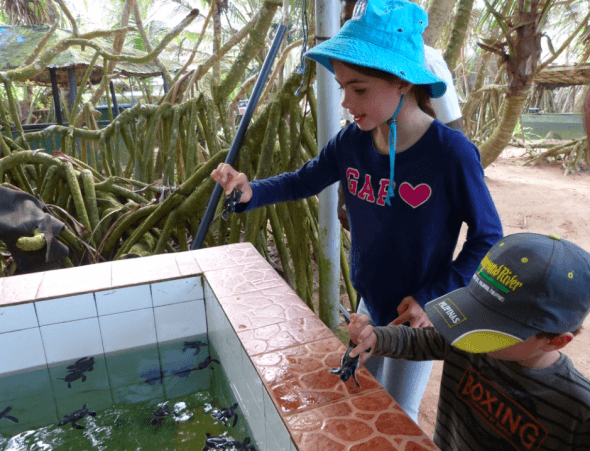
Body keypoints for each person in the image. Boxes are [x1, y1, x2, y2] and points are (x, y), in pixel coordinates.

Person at [210, 0, 503, 422]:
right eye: (342, 86)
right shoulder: (352, 142)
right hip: (369, 299)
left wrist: (431, 298)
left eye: (359, 88)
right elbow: (302, 180)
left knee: (395, 415)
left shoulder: (450, 153)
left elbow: (488, 237)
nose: (346, 101)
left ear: (403, 82)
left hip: (413, 316)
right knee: (362, 393)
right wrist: (250, 190)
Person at [348, 232, 590, 450]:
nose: (473, 328)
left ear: (556, 342)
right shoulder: (468, 338)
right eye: (476, 313)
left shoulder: (578, 410)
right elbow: (420, 340)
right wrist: (377, 337)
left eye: (495, 328)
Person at [337, 0, 463, 230]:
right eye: (349, 18)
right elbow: (352, 130)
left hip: (419, 192)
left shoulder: (428, 63)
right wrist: (345, 193)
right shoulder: (351, 65)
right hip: (373, 192)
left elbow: (453, 129)